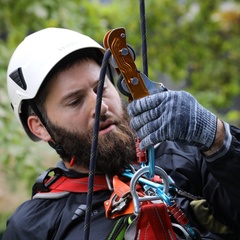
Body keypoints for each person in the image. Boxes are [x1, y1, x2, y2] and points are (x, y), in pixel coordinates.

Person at [3, 27, 240, 240]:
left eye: (101, 89)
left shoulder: (187, 157)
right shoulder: (33, 227)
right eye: (75, 101)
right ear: (40, 127)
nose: (101, 107)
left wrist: (217, 138)